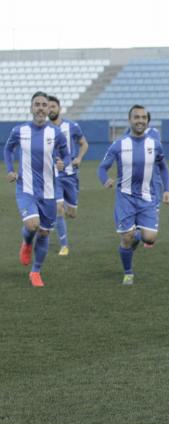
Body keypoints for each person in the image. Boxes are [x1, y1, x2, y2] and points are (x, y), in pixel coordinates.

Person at [97, 105, 169, 285]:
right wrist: (105, 180)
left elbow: (163, 167)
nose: (140, 121)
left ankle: (137, 236)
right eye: (136, 117)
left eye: (143, 117)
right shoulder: (119, 144)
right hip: (126, 197)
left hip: (147, 197)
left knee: (150, 238)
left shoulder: (154, 144)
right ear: (130, 120)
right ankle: (128, 272)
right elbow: (102, 167)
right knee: (126, 237)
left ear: (147, 120)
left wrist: (167, 189)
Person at [4, 91, 71, 287]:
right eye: (37, 104)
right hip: (25, 188)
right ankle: (26, 243)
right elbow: (8, 149)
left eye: (44, 105)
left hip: (49, 192)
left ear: (48, 109)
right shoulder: (19, 130)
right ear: (31, 108)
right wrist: (10, 169)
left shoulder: (55, 133)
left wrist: (62, 163)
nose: (41, 108)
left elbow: (66, 155)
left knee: (43, 233)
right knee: (33, 225)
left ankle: (35, 271)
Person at [47, 95, 88, 257]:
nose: (50, 110)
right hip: (53, 176)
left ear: (59, 108)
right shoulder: (44, 130)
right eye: (48, 107)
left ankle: (60, 219)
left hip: (71, 176)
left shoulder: (72, 126)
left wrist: (78, 158)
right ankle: (64, 245)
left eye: (53, 107)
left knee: (72, 213)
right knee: (58, 209)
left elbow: (84, 143)